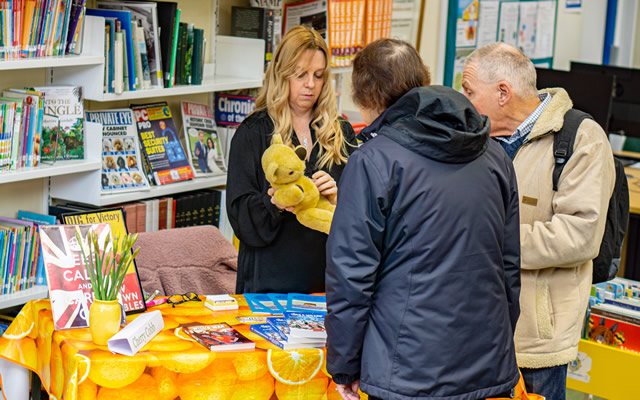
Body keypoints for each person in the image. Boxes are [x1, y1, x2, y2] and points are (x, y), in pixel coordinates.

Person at [325, 38, 521, 400]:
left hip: (406, 372)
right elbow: (508, 267)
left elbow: (351, 276)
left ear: (365, 96)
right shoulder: (495, 155)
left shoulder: (373, 161)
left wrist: (344, 364)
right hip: (488, 364)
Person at [461, 42, 615, 399]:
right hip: (473, 330)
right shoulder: (478, 138)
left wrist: (488, 241)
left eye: (469, 91)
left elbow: (580, 235)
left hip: (536, 339)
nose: (463, 100)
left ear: (503, 92)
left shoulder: (582, 139)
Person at [226, 25, 357, 294]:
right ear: (281, 74)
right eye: (300, 75)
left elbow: (360, 213)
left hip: (326, 280)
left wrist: (337, 197)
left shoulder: (340, 132)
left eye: (318, 76)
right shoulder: (253, 132)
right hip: (269, 282)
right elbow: (240, 216)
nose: (310, 84)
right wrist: (275, 201)